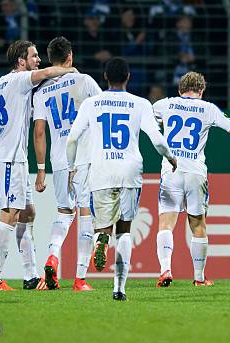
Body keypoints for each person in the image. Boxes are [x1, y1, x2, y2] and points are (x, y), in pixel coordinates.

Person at [66, 57, 177, 301]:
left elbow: (72, 138)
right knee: (125, 230)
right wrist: (170, 158)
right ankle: (119, 289)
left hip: (101, 170)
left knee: (102, 226)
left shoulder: (92, 104)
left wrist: (72, 167)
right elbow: (157, 140)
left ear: (105, 77)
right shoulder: (141, 104)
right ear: (128, 77)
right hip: (130, 170)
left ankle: (100, 240)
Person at [0, 40, 76, 291]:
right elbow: (46, 73)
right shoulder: (17, 80)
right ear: (21, 61)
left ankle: (31, 276)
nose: (38, 60)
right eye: (34, 56)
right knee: (9, 213)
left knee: (27, 213)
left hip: (17, 158)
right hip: (8, 158)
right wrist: (70, 70)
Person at [152, 71, 230, 287]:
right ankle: (198, 278)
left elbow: (147, 122)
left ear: (179, 90)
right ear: (202, 90)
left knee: (166, 225)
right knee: (198, 225)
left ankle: (165, 270)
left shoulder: (164, 105)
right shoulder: (208, 109)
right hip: (196, 173)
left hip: (172, 170)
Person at [32, 37, 102, 291]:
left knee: (64, 212)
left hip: (59, 160)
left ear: (51, 59)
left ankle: (52, 259)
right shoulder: (84, 81)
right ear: (70, 57)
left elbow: (39, 132)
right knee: (85, 214)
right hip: (83, 158)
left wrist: (41, 170)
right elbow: (104, 112)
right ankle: (80, 279)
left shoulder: (40, 92)